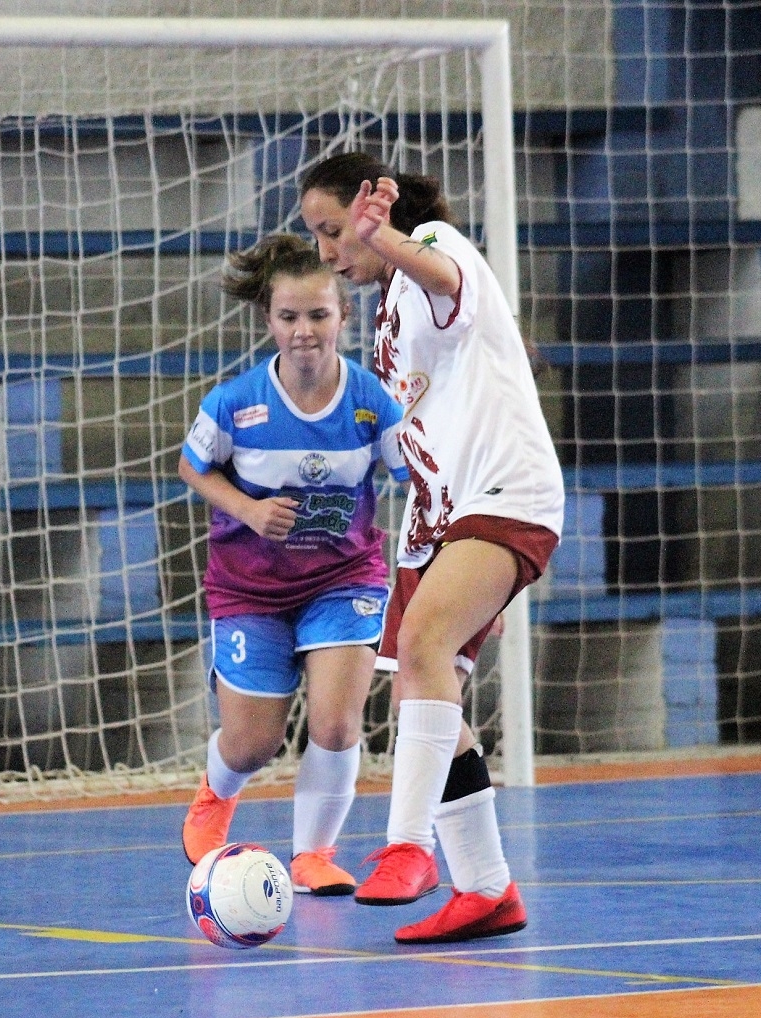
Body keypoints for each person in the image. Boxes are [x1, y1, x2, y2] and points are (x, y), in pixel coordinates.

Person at [299, 153, 564, 943]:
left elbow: (444, 275)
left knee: (423, 646)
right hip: (440, 518)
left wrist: (394, 241)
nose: (326, 251)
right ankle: (486, 889)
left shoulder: (435, 253)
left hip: (505, 494)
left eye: (333, 229)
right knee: (425, 693)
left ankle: (408, 845)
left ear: (374, 214)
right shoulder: (385, 314)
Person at [179, 233, 408, 896]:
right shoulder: (236, 403)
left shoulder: (371, 403)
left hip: (345, 578)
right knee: (254, 744)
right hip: (250, 588)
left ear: (343, 316)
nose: (304, 331)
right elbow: (191, 467)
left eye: (318, 315)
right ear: (268, 321)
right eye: (289, 317)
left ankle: (314, 855)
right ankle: (214, 797)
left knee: (337, 722)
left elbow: (415, 476)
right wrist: (248, 511)